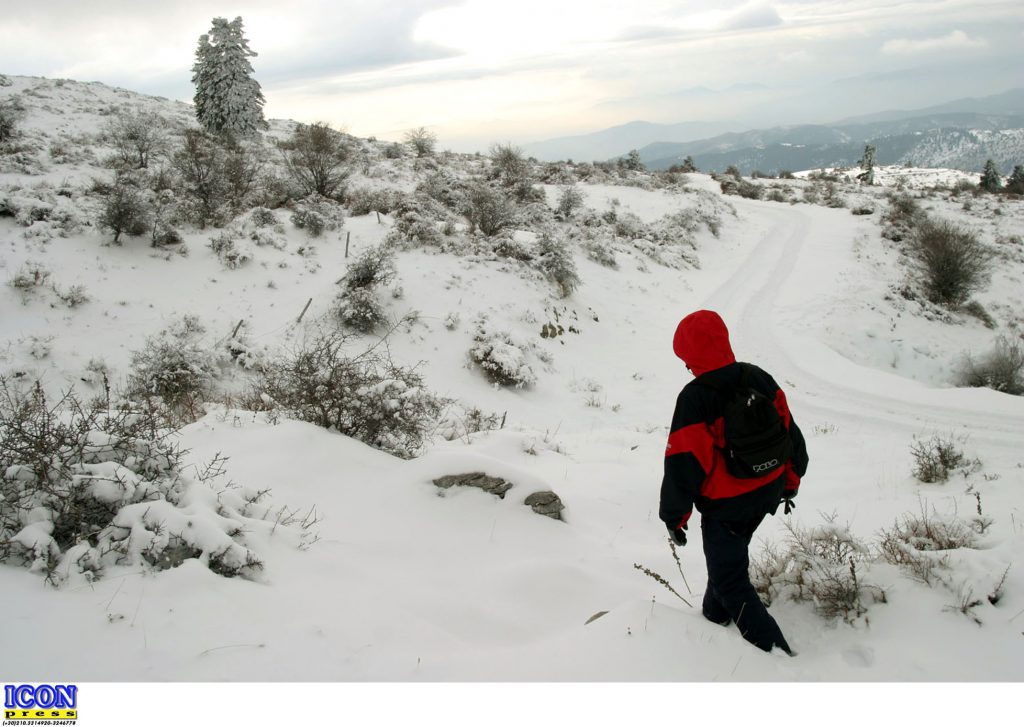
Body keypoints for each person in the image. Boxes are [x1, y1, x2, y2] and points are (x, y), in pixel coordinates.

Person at [659, 309, 808, 655]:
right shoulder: (759, 378)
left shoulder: (695, 398)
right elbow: (791, 436)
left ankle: (778, 654)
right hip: (766, 492)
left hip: (727, 508)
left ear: (690, 354)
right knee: (727, 561)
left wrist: (674, 518)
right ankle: (713, 616)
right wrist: (790, 482)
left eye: (685, 358)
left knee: (731, 580)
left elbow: (683, 462)